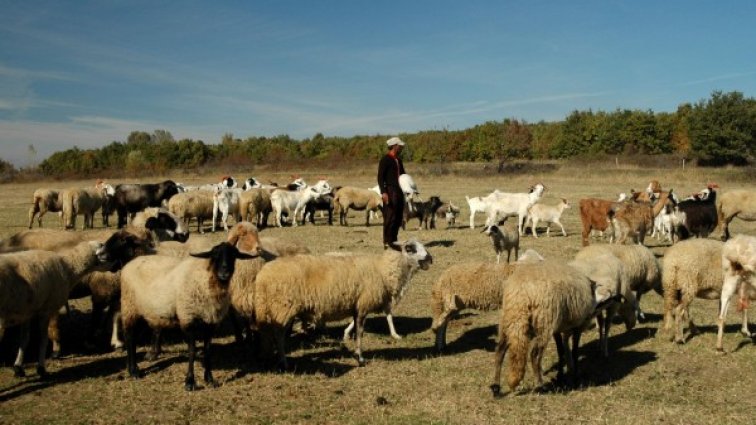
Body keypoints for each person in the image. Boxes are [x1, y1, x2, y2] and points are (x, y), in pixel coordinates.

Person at [377, 136, 406, 249]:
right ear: (394, 146)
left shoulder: (398, 160)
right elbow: (380, 177)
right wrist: (384, 192)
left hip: (399, 191)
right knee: (390, 216)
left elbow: (403, 175)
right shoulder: (385, 159)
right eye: (400, 146)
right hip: (390, 190)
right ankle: (386, 241)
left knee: (398, 216)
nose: (401, 148)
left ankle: (394, 240)